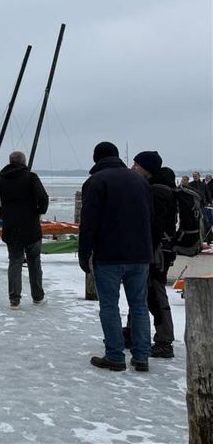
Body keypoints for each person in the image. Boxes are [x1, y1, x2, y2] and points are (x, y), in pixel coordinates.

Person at [78, 142, 153, 372]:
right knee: (139, 306)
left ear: (96, 158)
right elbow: (150, 217)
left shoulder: (96, 182)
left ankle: (115, 356)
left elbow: (88, 222)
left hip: (109, 254)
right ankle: (141, 357)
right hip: (140, 254)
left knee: (110, 306)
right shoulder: (140, 181)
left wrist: (84, 253)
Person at [122, 153, 177, 359]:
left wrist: (144, 249)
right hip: (157, 249)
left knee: (155, 291)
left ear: (147, 168)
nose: (133, 167)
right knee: (140, 289)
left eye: (137, 164)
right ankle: (133, 330)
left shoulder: (157, 191)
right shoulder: (156, 187)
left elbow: (156, 225)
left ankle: (164, 340)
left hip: (157, 251)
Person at [0, 151, 49, 309]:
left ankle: (14, 300)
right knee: (34, 262)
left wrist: (2, 213)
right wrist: (40, 211)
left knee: (15, 261)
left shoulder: (1, 179)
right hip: (31, 226)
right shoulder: (31, 177)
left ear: (10, 161)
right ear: (24, 162)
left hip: (11, 226)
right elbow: (43, 198)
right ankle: (38, 297)